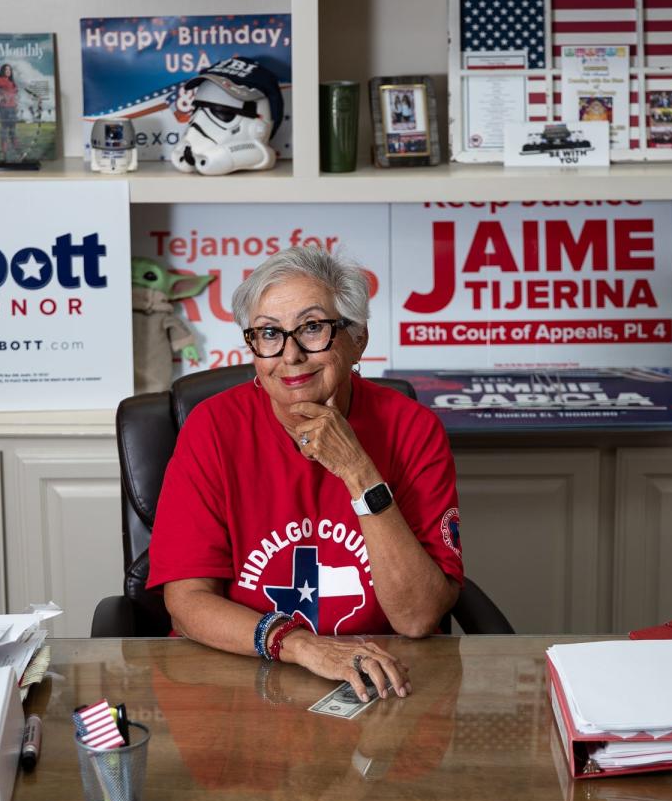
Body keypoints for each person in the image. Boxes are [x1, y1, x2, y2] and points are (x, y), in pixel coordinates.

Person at [147, 246, 463, 700]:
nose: (290, 355)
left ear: (358, 339)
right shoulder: (213, 428)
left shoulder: (413, 429)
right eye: (269, 334)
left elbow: (417, 617)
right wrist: (300, 646)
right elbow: (187, 603)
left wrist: (357, 470)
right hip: (237, 676)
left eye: (313, 328)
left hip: (379, 680)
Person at [0, 63, 37, 156]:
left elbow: (15, 95)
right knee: (5, 129)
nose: (8, 71)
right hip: (4, 108)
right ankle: (5, 151)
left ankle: (16, 150)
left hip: (13, 108)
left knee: (12, 129)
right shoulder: (0, 80)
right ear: (3, 71)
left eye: (9, 70)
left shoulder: (12, 82)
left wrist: (16, 105)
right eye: (6, 70)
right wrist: (0, 96)